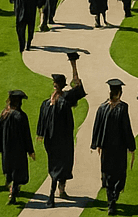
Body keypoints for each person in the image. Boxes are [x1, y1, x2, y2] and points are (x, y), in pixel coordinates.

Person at [36, 56, 86, 204]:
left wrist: (73, 65)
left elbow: (77, 87)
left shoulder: (58, 101)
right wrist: (40, 133)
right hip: (59, 140)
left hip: (56, 140)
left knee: (58, 164)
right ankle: (58, 189)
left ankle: (56, 188)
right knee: (61, 164)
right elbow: (43, 120)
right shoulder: (56, 102)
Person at [91, 78, 136, 215]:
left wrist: (97, 144)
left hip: (106, 148)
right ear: (119, 93)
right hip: (119, 148)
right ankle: (114, 198)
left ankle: (111, 202)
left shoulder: (102, 107)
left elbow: (96, 126)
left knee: (108, 174)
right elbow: (126, 128)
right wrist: (131, 147)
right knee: (119, 173)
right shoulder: (122, 108)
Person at [0, 88, 36, 206]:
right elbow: (26, 135)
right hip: (19, 149)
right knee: (18, 172)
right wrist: (30, 151)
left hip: (7, 149)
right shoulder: (21, 116)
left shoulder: (4, 114)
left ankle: (11, 190)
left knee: (10, 169)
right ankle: (14, 191)